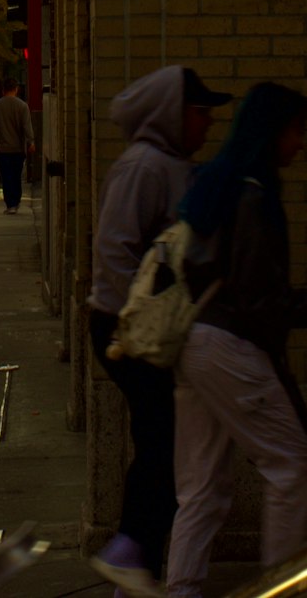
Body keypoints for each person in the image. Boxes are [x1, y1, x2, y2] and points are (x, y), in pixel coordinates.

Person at [89, 66, 230, 598]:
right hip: (125, 329)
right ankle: (131, 551)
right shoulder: (143, 167)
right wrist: (139, 318)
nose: (208, 122)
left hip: (147, 330)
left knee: (162, 441)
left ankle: (135, 561)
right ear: (174, 114)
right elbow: (114, 248)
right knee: (162, 442)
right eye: (199, 112)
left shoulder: (174, 165)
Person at [165, 82, 307, 598]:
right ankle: (282, 586)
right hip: (232, 346)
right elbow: (259, 301)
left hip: (195, 342)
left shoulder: (216, 184)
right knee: (290, 464)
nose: (299, 142)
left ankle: (182, 587)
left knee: (202, 485)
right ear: (272, 131)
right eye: (295, 130)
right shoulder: (254, 196)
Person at [0, 78, 35, 213]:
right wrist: (31, 142)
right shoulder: (22, 106)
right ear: (16, 89)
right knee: (16, 175)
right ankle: (16, 200)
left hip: (3, 148)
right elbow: (27, 126)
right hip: (18, 148)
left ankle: (10, 204)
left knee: (6, 176)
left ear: (3, 90)